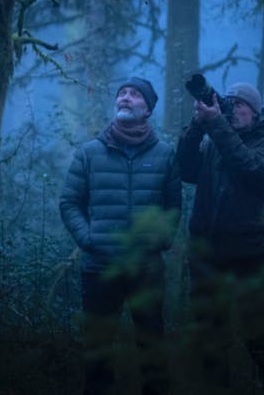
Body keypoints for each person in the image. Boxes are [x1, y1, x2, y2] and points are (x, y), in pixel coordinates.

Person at [59, 76, 182, 395]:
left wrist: (162, 240)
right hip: (100, 267)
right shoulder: (90, 152)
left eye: (135, 94)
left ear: (148, 109)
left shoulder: (165, 154)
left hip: (147, 268)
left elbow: (173, 206)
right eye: (122, 93)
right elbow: (69, 202)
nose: (125, 98)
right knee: (97, 352)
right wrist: (88, 239)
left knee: (152, 349)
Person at [177, 81, 264, 393]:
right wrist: (198, 125)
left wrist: (216, 124)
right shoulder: (216, 140)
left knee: (263, 336)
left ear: (255, 111)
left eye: (240, 104)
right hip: (207, 255)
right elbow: (186, 169)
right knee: (209, 338)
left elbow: (248, 166)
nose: (233, 109)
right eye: (229, 103)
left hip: (251, 253)